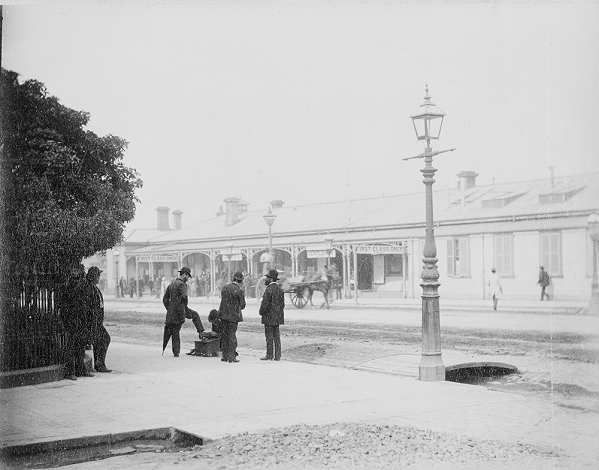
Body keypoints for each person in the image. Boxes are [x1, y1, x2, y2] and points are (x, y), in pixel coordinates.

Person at [162, 267, 205, 357]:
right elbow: (184, 297)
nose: (188, 278)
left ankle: (176, 352)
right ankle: (201, 333)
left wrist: (170, 308)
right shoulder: (182, 284)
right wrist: (183, 307)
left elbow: (165, 299)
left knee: (175, 332)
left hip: (171, 312)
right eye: (188, 276)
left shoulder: (172, 284)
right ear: (184, 274)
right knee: (195, 315)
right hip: (181, 310)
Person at [60, 264, 91, 379]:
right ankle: (70, 372)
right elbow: (64, 305)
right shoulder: (68, 285)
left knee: (81, 346)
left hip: (81, 319)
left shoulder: (82, 284)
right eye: (74, 270)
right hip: (72, 319)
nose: (76, 272)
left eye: (78, 270)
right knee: (71, 347)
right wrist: (67, 320)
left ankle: (81, 370)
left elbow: (85, 301)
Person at [81, 266, 112, 373]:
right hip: (93, 323)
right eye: (98, 275)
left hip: (97, 322)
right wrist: (93, 323)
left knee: (100, 341)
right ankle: (99, 364)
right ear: (94, 276)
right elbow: (90, 307)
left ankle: (99, 364)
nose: (99, 277)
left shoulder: (94, 288)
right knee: (104, 339)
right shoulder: (89, 288)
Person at [218, 271, 246, 363]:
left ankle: (224, 356)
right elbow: (242, 305)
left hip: (223, 316)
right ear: (241, 281)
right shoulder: (239, 290)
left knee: (225, 336)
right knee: (232, 336)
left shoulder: (225, 288)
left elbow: (222, 301)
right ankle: (231, 356)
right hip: (233, 317)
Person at [259, 268, 285, 361]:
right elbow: (282, 305)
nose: (266, 279)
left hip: (269, 317)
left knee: (269, 337)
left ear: (270, 279)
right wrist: (277, 313)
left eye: (267, 278)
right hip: (277, 317)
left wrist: (261, 312)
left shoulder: (268, 289)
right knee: (277, 337)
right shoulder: (280, 290)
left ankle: (269, 355)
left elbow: (264, 304)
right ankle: (278, 356)